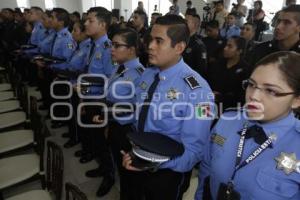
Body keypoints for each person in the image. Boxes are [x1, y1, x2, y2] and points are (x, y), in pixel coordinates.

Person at [121, 14, 214, 200]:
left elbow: (195, 150)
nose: (150, 46)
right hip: (136, 154)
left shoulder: (199, 91)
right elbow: (137, 113)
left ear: (179, 47)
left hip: (168, 173)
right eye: (150, 39)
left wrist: (152, 164)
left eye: (159, 41)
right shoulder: (148, 74)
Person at [196, 51, 300, 200]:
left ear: (296, 100)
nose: (253, 96)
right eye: (251, 85)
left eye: (271, 90)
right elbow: (206, 168)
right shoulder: (228, 120)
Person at [93, 27, 145, 200]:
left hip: (128, 132)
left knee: (130, 174)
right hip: (115, 125)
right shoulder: (119, 68)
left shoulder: (140, 74)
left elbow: (137, 110)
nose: (111, 49)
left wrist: (109, 115)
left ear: (131, 49)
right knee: (121, 169)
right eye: (111, 45)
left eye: (117, 45)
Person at [78, 6, 115, 198]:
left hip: (101, 102)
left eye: (90, 20)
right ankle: (102, 167)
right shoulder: (93, 45)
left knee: (103, 142)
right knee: (95, 139)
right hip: (90, 100)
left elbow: (112, 81)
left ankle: (110, 174)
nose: (85, 23)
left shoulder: (109, 48)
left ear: (102, 24)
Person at [207, 36, 250, 111]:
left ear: (239, 51)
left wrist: (221, 97)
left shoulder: (246, 70)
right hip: (208, 103)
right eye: (226, 45)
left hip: (228, 110)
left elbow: (242, 96)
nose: (225, 48)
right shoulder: (217, 64)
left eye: (230, 46)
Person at [183, 13, 208, 78]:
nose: (183, 24)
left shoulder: (199, 45)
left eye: (186, 22)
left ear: (195, 24)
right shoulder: (180, 40)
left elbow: (201, 69)